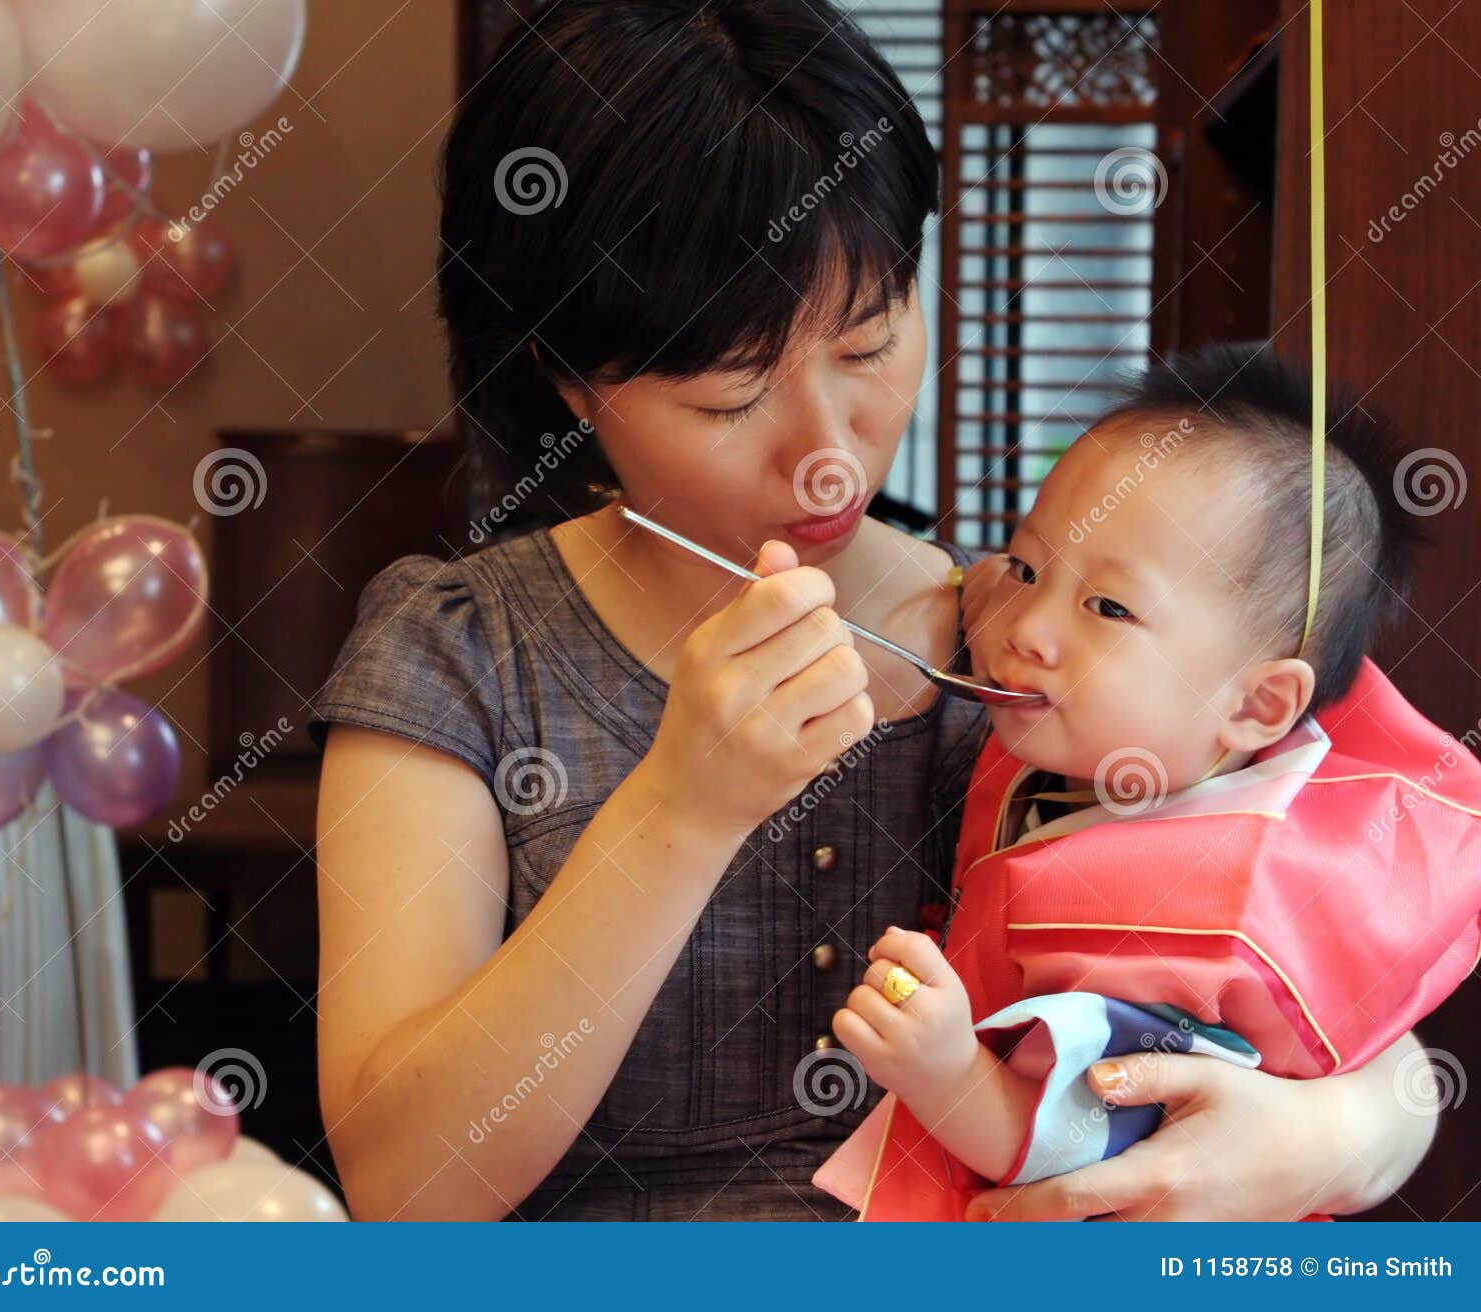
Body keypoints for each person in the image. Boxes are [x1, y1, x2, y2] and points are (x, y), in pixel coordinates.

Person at [308, 0, 1441, 1221]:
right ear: (571, 380)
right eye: (732, 396)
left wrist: (1345, 1131)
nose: (828, 459)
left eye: (865, 345)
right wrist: (680, 808)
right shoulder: (463, 653)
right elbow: (405, 1191)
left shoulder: (1057, 643)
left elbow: (1352, 944)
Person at [813, 344, 1481, 1220]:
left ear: (1260, 704)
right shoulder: (1182, 733)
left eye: (1109, 608)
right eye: (1027, 567)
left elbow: (1089, 1154)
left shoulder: (1196, 925)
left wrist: (946, 1075)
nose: (1027, 626)